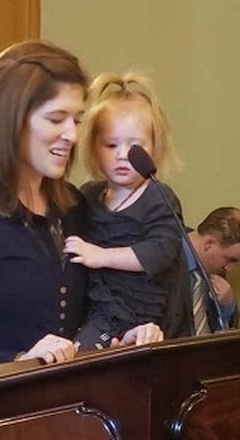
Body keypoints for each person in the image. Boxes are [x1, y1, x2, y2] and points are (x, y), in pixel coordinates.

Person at [0, 40, 163, 440]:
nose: (72, 135)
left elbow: (84, 317)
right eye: (56, 118)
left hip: (73, 421)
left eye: (76, 120)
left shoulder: (74, 205)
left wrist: (118, 341)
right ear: (12, 119)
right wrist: (18, 361)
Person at [63, 71, 189, 348]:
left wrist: (102, 256)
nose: (122, 155)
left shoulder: (158, 197)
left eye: (135, 146)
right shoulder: (90, 196)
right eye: (111, 145)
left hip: (136, 314)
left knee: (81, 358)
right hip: (96, 306)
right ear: (94, 149)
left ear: (153, 149)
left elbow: (159, 252)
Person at [187, 206, 240, 332]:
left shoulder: (216, 272)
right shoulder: (161, 257)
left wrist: (227, 306)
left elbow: (226, 331)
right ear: (209, 244)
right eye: (230, 259)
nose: (230, 268)